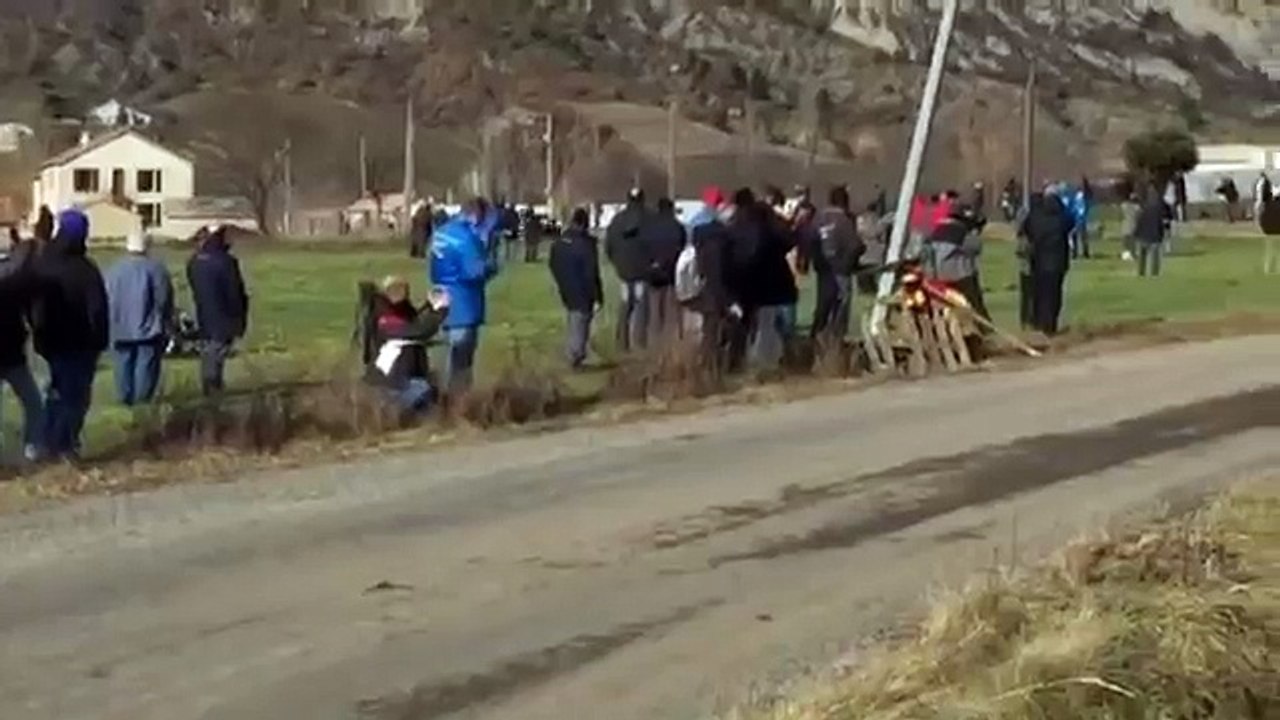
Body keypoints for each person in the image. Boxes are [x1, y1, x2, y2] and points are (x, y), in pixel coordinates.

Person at [29, 209, 108, 460]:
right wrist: (100, 340)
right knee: (75, 398)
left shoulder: (43, 263)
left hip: (48, 342)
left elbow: (33, 303)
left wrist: (38, 333)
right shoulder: (85, 269)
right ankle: (64, 446)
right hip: (80, 344)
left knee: (53, 394)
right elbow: (97, 309)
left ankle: (45, 444)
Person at [430, 198, 498, 395]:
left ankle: (448, 394)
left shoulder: (441, 233)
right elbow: (473, 271)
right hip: (464, 301)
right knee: (462, 358)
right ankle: (458, 400)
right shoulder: (467, 237)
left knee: (450, 352)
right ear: (477, 215)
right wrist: (492, 266)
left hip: (441, 296)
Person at [727, 188, 797, 374]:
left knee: (746, 327)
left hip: (743, 284)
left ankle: (740, 363)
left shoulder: (732, 225)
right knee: (770, 326)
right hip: (772, 282)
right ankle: (771, 363)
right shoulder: (766, 221)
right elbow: (788, 241)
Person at [105, 232, 174, 406]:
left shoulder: (114, 270)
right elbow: (163, 298)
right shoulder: (156, 269)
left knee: (122, 365)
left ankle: (125, 399)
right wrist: (166, 322)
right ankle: (142, 401)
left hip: (119, 327)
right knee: (146, 365)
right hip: (148, 327)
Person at [365, 276, 448, 413]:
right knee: (423, 390)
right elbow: (419, 331)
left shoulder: (397, 312)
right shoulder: (386, 320)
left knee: (431, 388)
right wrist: (439, 311)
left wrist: (429, 305)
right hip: (390, 384)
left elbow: (415, 324)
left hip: (400, 379)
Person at [187, 225, 249, 396]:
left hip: (203, 315)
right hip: (223, 316)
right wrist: (239, 319)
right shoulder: (226, 262)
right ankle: (213, 388)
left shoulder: (194, 262)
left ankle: (208, 387)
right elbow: (234, 293)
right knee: (217, 353)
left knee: (208, 352)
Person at [682, 186, 738, 375]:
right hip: (718, 282)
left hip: (698, 279)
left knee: (705, 325)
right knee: (718, 324)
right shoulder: (721, 231)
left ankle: (703, 360)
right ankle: (716, 363)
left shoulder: (694, 223)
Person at [0, 227, 44, 461]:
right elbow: (31, 313)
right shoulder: (18, 280)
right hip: (13, 353)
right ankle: (32, 449)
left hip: (10, 352)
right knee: (33, 403)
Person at [549, 208, 604, 369]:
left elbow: (553, 263)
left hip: (565, 285)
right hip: (583, 289)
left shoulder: (560, 242)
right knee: (581, 319)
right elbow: (591, 272)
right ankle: (575, 355)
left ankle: (574, 352)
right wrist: (598, 295)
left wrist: (561, 280)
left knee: (574, 317)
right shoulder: (586, 245)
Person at [808, 185, 864, 345]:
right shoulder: (844, 221)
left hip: (823, 269)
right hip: (841, 270)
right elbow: (855, 245)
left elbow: (810, 239)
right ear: (845, 202)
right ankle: (837, 339)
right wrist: (850, 262)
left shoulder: (818, 218)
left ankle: (816, 336)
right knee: (841, 305)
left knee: (823, 303)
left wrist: (815, 260)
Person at [924, 203, 989, 322]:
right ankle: (984, 328)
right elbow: (976, 248)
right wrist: (976, 233)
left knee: (943, 305)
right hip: (960, 275)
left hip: (937, 276)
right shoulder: (962, 231)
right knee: (974, 303)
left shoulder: (936, 230)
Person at [1019, 192, 1072, 335]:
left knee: (1039, 293)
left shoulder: (1036, 219)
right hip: (1058, 262)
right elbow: (1071, 223)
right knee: (1054, 294)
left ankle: (1038, 322)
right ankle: (1050, 324)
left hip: (1039, 261)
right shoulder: (1061, 220)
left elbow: (1025, 230)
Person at [605, 187, 650, 352]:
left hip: (623, 270)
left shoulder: (617, 220)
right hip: (643, 270)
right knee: (641, 306)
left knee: (625, 306)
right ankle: (640, 342)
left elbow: (608, 245)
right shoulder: (649, 219)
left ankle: (622, 342)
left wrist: (617, 263)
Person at [640, 197, 686, 347]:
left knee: (655, 311)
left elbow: (644, 249)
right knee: (671, 310)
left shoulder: (649, 227)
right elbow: (681, 247)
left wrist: (652, 264)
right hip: (672, 273)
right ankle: (671, 343)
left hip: (653, 273)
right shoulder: (678, 227)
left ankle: (655, 343)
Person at [1134, 187, 1172, 277]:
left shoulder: (1144, 207)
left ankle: (1141, 272)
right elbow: (1163, 221)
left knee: (1143, 255)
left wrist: (1136, 233)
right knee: (1155, 256)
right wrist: (1163, 233)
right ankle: (1154, 273)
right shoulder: (1160, 207)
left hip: (1143, 234)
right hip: (1154, 234)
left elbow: (1139, 221)